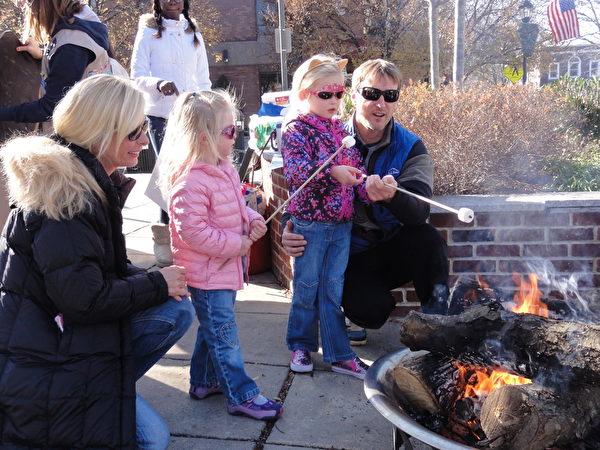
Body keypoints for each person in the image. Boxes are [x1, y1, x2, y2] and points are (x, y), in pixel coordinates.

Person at [0, 75, 195, 449]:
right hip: (45, 360)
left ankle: (112, 388)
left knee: (176, 309)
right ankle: (104, 391)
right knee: (152, 440)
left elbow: (88, 269)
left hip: (54, 335)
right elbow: (82, 298)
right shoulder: (67, 198)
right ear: (101, 131)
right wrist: (156, 283)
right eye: (134, 131)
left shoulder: (81, 178)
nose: (143, 140)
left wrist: (157, 280)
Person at [282, 59, 450, 345]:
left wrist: (392, 197)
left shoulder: (411, 146)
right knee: (370, 312)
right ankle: (338, 320)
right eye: (372, 94)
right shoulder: (330, 135)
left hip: (391, 245)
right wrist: (288, 226)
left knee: (429, 239)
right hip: (349, 251)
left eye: (390, 96)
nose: (380, 104)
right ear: (355, 95)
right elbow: (301, 181)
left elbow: (419, 212)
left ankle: (439, 327)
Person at [158, 90, 284, 421]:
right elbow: (194, 232)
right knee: (224, 335)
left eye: (236, 128)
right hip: (207, 273)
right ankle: (241, 394)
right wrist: (235, 244)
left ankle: (202, 381)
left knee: (212, 329)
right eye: (229, 131)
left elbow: (236, 206)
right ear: (203, 138)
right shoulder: (189, 183)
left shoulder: (223, 168)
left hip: (222, 269)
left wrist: (253, 219)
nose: (236, 136)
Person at [281, 54, 375, 380]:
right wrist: (332, 172)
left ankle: (339, 354)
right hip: (310, 225)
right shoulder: (296, 130)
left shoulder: (340, 129)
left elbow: (356, 172)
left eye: (339, 93)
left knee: (333, 291)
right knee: (306, 287)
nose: (335, 100)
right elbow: (295, 174)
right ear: (306, 92)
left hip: (342, 225)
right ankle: (300, 345)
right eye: (326, 94)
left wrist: (373, 184)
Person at [131, 0, 212, 267]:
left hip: (192, 115)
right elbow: (137, 75)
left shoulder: (194, 32)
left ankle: (192, 235)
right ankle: (165, 238)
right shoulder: (148, 32)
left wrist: (207, 107)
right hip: (161, 116)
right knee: (169, 175)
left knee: (193, 173)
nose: (172, 1)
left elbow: (203, 79)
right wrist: (158, 83)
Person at [0, 0, 115, 125]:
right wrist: (43, 56)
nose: (20, 6)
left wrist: (4, 113)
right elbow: (77, 69)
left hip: (84, 134)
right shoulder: (81, 21)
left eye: (28, 2)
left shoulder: (71, 47)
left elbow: (50, 108)